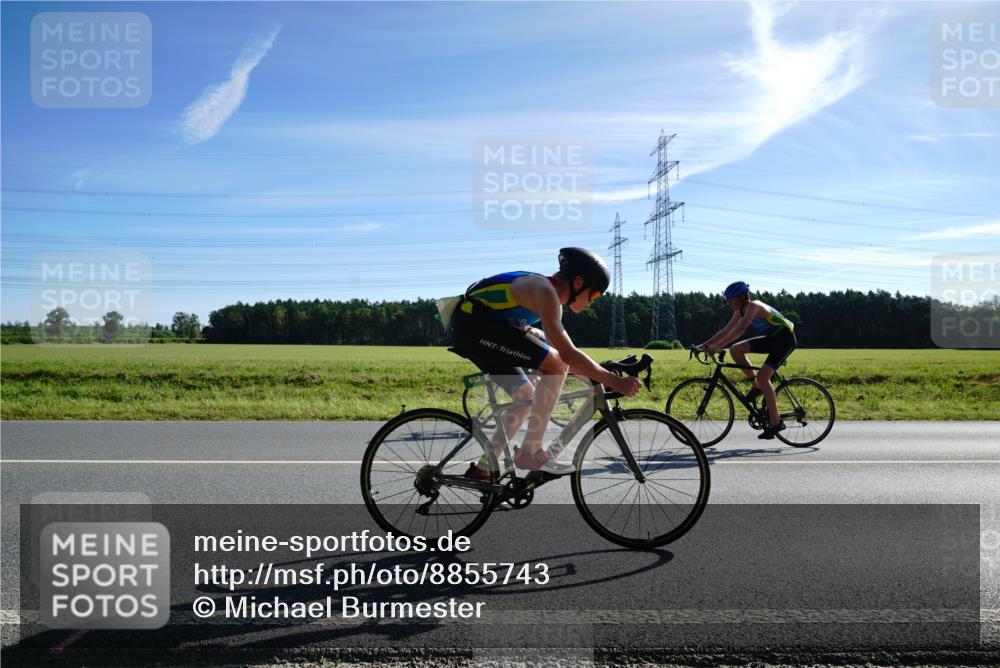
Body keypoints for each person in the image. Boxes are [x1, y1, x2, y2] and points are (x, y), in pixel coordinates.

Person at [449, 247, 642, 476]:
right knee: (556, 364)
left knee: (527, 398)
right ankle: (530, 451)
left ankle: (483, 469)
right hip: (474, 326)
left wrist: (597, 373)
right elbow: (566, 356)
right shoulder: (544, 291)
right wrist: (612, 380)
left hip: (483, 327)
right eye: (595, 295)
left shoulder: (548, 297)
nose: (592, 302)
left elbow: (566, 353)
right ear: (579, 282)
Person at [698, 281, 796, 440]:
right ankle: (756, 386)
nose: (728, 303)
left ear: (743, 297)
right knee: (735, 350)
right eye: (727, 300)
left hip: (785, 340)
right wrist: (704, 345)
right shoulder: (740, 310)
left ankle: (776, 422)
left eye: (730, 299)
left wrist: (717, 347)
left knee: (764, 376)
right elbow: (726, 330)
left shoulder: (753, 306)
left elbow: (740, 330)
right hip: (772, 338)